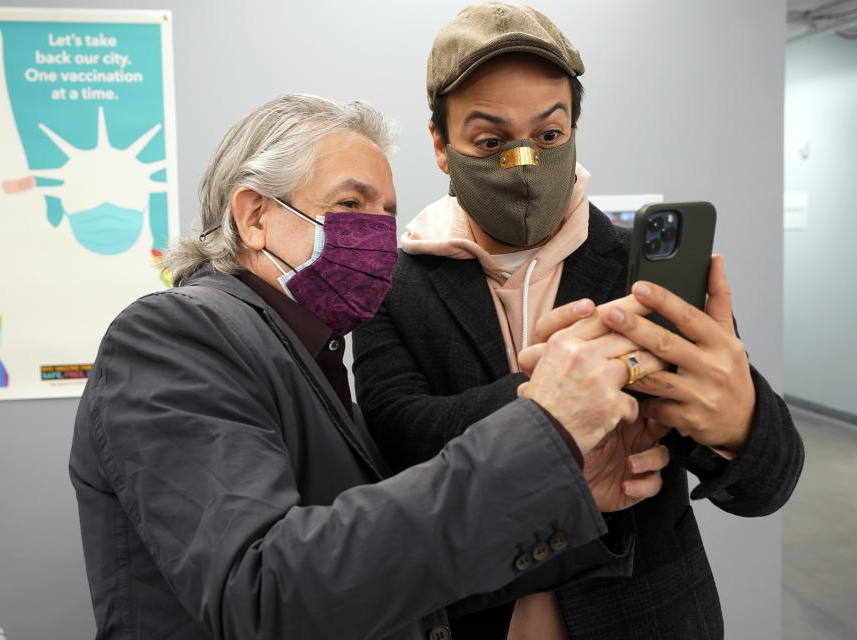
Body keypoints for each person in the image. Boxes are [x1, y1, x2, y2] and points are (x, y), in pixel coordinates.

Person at [69, 93, 672, 640]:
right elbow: (263, 592)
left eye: (386, 212)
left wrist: (568, 496)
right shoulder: (175, 337)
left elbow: (387, 580)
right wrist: (543, 429)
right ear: (254, 217)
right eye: (351, 203)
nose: (377, 233)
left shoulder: (311, 357)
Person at [351, 4, 805, 639]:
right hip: (469, 615)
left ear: (574, 131)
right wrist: (550, 405)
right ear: (440, 146)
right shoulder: (394, 285)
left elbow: (768, 485)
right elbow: (395, 438)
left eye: (548, 137)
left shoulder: (640, 269)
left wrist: (740, 421)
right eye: (490, 142)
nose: (524, 163)